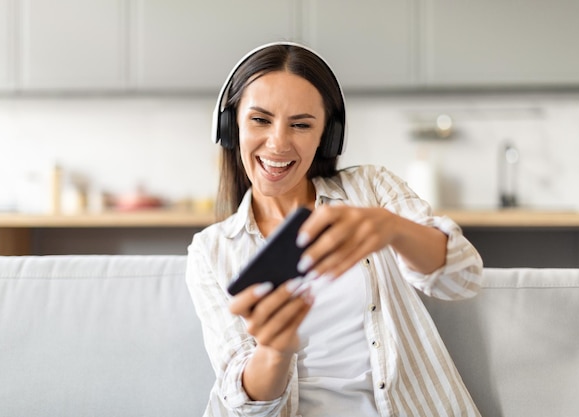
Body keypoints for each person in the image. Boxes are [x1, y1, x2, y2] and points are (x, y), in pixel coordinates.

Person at [186, 41, 483, 417]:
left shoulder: (371, 189)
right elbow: (247, 405)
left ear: (327, 136)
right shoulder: (211, 251)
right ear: (231, 127)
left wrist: (392, 228)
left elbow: (464, 279)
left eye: (301, 125)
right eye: (260, 120)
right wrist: (275, 350)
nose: (278, 143)